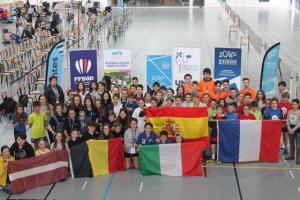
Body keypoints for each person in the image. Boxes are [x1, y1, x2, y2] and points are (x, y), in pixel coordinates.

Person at [286, 99, 300, 164]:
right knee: (291, 144)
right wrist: (289, 128)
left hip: (298, 129)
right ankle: (291, 156)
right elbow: (287, 120)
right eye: (293, 104)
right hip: (290, 129)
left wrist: (293, 129)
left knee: (298, 145)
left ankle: (298, 159)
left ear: (298, 105)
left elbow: (299, 123)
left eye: (295, 104)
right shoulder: (289, 111)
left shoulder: (299, 112)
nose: (293, 105)